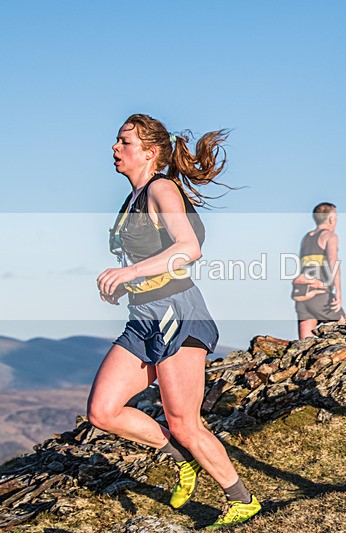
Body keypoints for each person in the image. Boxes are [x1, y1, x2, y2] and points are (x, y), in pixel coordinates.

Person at [87, 114, 260, 528]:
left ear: (149, 152)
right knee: (102, 411)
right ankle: (181, 458)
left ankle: (241, 499)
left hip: (178, 315)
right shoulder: (131, 200)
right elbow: (151, 262)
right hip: (143, 317)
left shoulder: (161, 187)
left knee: (184, 420)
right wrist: (125, 285)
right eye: (117, 141)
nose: (115, 148)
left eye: (124, 142)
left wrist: (128, 274)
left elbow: (190, 247)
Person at [293, 202, 346, 339]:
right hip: (320, 295)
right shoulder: (329, 236)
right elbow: (333, 263)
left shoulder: (306, 238)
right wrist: (338, 293)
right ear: (331, 219)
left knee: (304, 346)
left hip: (302, 295)